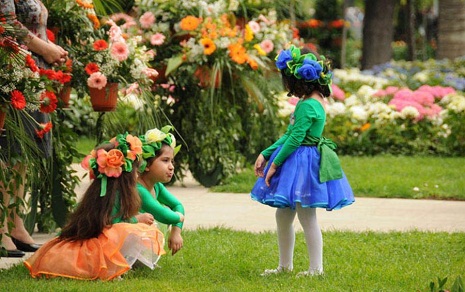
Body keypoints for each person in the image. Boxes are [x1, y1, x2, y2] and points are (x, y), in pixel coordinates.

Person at [250, 45, 355, 277]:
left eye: (288, 82)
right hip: (298, 160)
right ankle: (284, 266)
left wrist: (274, 164)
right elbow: (290, 134)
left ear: (299, 81)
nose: (287, 87)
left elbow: (296, 138)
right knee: (284, 215)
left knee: (307, 216)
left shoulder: (308, 105)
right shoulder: (311, 100)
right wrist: (267, 153)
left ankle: (316, 269)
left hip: (303, 164)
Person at [24, 133, 165, 280]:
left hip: (97, 241)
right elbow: (112, 225)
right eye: (136, 171)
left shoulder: (105, 193)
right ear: (125, 175)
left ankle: (128, 262)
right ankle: (113, 267)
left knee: (134, 229)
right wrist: (137, 219)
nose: (137, 176)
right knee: (132, 229)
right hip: (94, 246)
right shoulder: (114, 196)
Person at [0, 0, 68, 257]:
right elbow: (6, 22)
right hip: (13, 67)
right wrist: (46, 48)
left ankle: (16, 224)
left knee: (23, 151)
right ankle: (1, 228)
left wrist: (49, 50)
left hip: (32, 69)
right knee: (9, 149)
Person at [137, 126, 185, 256]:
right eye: (165, 160)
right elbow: (164, 215)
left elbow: (177, 205)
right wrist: (179, 217)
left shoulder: (156, 186)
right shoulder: (137, 189)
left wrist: (176, 231)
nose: (171, 167)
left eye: (172, 161)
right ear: (146, 165)